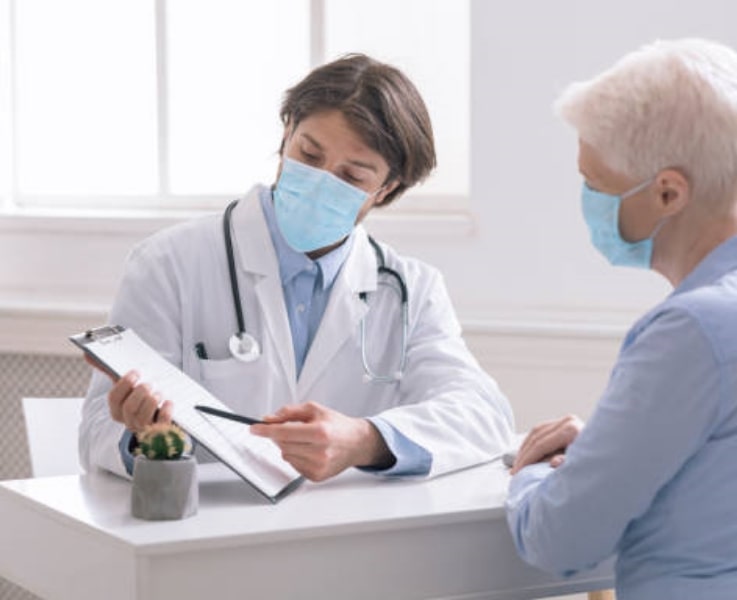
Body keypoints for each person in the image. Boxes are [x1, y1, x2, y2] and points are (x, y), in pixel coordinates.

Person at [79, 53, 514, 483]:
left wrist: (365, 440)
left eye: (352, 176)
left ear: (386, 189)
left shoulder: (411, 289)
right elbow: (99, 428)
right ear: (287, 132)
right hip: (206, 532)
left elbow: (483, 415)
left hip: (344, 532)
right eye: (310, 154)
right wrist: (147, 440)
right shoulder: (169, 263)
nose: (322, 179)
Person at [505, 38, 737, 599]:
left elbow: (561, 540)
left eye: (595, 185)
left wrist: (534, 472)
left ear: (667, 192)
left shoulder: (693, 331)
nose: (587, 201)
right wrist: (610, 449)